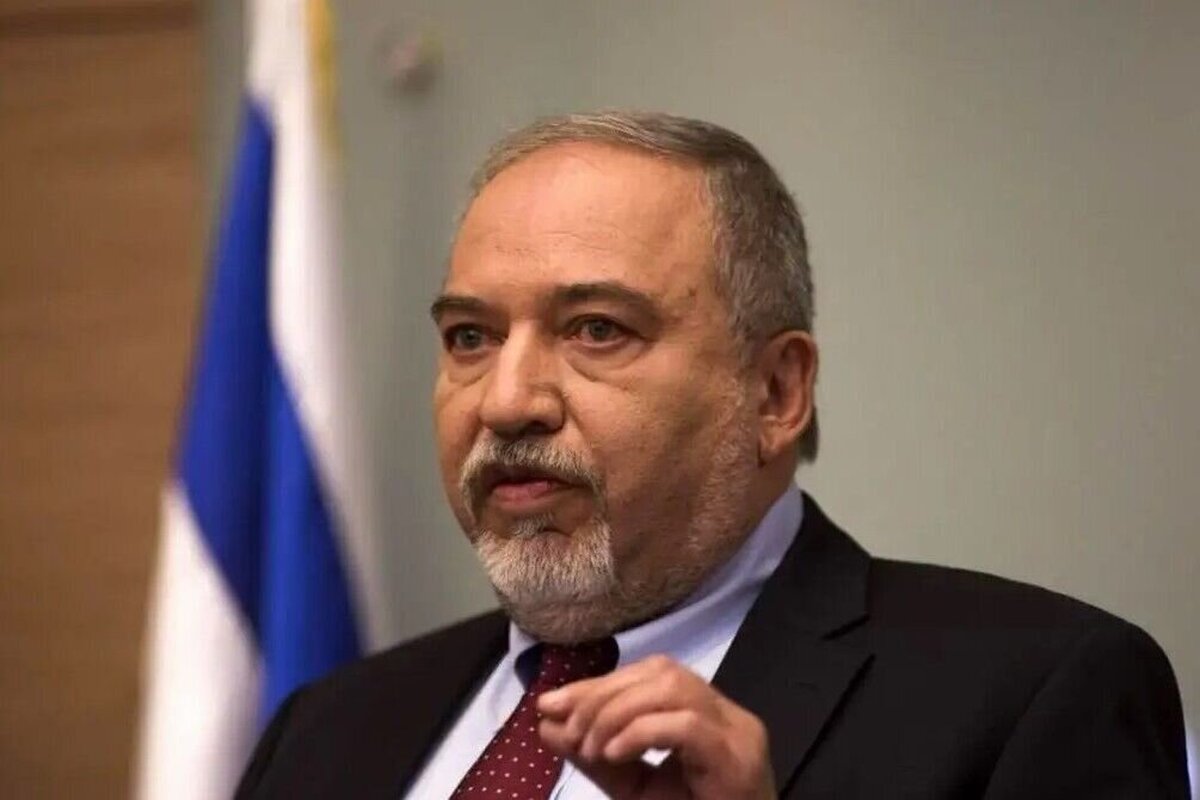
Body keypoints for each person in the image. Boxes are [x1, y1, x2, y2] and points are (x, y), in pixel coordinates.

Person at [235, 111, 1189, 799]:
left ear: (775, 392)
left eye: (597, 328)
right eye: (470, 338)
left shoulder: (1035, 697)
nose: (507, 401)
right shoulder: (326, 731)